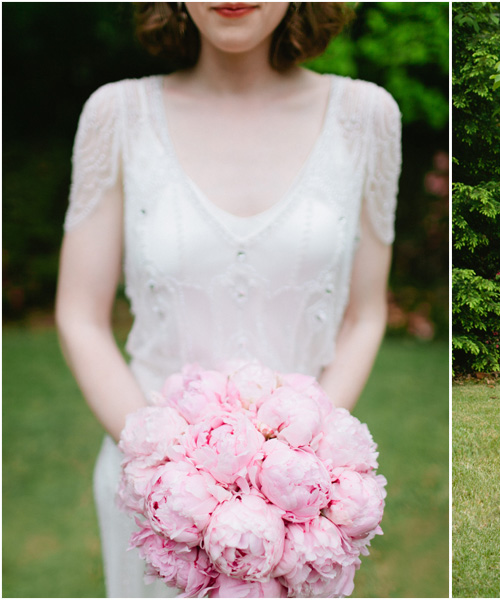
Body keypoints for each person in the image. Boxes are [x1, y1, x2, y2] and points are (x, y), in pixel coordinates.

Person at [55, 2, 401, 595]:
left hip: (303, 511)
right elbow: (79, 316)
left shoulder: (366, 115)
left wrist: (299, 465)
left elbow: (365, 315)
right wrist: (165, 467)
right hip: (155, 496)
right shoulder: (118, 113)